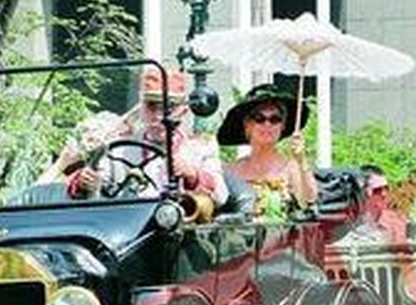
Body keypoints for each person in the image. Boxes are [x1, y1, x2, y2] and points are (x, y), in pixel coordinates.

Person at [63, 67, 228, 207]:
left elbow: (221, 195)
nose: (158, 116)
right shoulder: (120, 148)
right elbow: (95, 189)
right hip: (129, 232)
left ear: (183, 111)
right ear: (141, 108)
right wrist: (88, 183)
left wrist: (192, 174)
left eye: (167, 108)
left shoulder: (200, 148)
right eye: (151, 107)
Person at [220, 84, 318, 214]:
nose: (267, 124)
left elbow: (308, 201)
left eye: (275, 119)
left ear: (282, 126)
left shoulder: (292, 168)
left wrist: (301, 160)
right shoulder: (231, 171)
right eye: (259, 119)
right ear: (247, 125)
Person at [355, 164, 408, 242]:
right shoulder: (348, 225)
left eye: (386, 188)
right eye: (377, 190)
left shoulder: (397, 220)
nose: (384, 194)